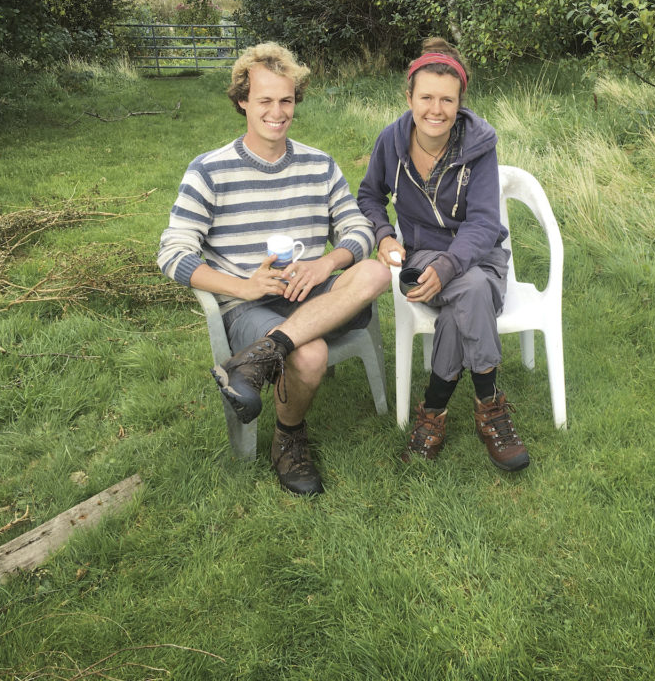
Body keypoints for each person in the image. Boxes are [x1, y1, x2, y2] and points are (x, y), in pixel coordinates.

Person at [158, 42, 390, 496]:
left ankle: (256, 361)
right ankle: (289, 436)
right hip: (250, 306)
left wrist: (326, 263)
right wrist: (243, 287)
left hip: (312, 294)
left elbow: (358, 228)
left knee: (377, 273)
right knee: (311, 354)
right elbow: (172, 252)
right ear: (242, 101)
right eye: (265, 100)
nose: (277, 112)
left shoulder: (318, 164)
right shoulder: (209, 171)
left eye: (286, 100)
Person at [357, 38, 530, 471]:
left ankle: (433, 414)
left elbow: (486, 222)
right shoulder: (390, 143)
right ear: (409, 97)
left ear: (460, 102)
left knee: (467, 289)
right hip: (420, 257)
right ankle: (491, 408)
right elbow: (369, 195)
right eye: (427, 97)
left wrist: (452, 262)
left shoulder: (480, 146)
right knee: (467, 291)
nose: (436, 109)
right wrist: (383, 234)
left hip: (480, 258)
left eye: (447, 100)